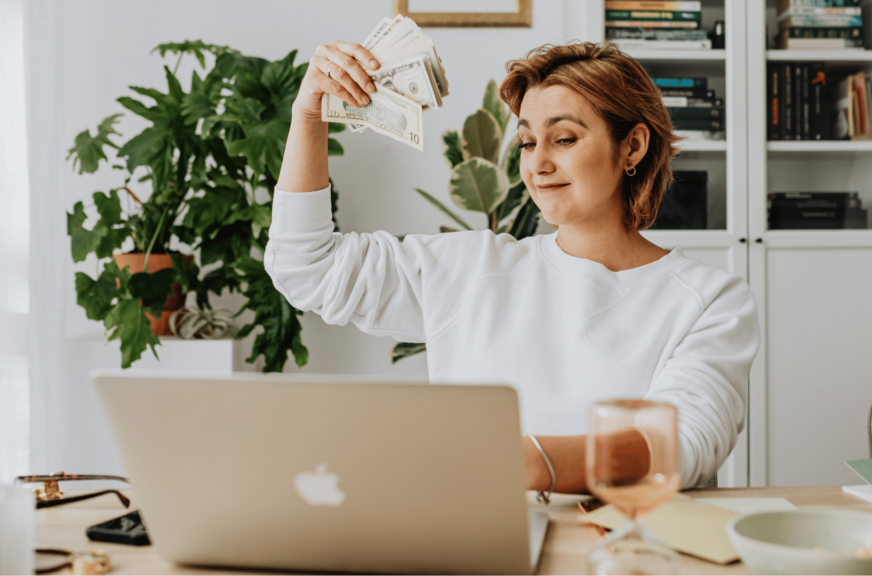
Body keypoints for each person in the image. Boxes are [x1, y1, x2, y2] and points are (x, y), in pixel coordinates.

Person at [266, 40, 759, 495]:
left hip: (623, 547)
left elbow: (684, 444)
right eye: (527, 143)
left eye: (564, 139)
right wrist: (308, 118)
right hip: (479, 544)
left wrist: (521, 461)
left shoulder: (710, 299)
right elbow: (307, 266)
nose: (537, 164)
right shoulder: (470, 268)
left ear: (632, 146)